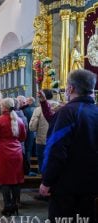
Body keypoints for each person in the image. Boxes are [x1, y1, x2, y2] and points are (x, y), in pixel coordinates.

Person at [39, 69, 98, 223]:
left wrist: (47, 181)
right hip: (91, 186)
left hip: (67, 187)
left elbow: (56, 150)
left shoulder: (67, 112)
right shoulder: (95, 111)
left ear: (71, 88)